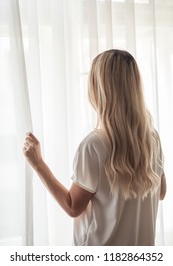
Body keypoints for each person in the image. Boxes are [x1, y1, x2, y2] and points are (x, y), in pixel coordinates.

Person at [23, 49, 166, 246]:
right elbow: (161, 192)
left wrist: (38, 164)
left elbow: (73, 206)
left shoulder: (94, 145)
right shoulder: (152, 138)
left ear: (99, 90)